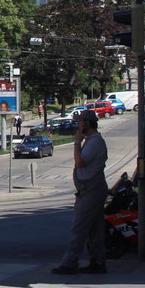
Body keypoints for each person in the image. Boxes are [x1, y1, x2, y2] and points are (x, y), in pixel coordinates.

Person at [52, 109, 109, 275]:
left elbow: (80, 162)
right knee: (94, 229)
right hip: (92, 189)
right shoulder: (92, 140)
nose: (77, 125)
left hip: (91, 189)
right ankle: (97, 261)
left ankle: (70, 262)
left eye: (80, 122)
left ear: (87, 124)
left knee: (80, 227)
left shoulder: (95, 142)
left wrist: (76, 142)